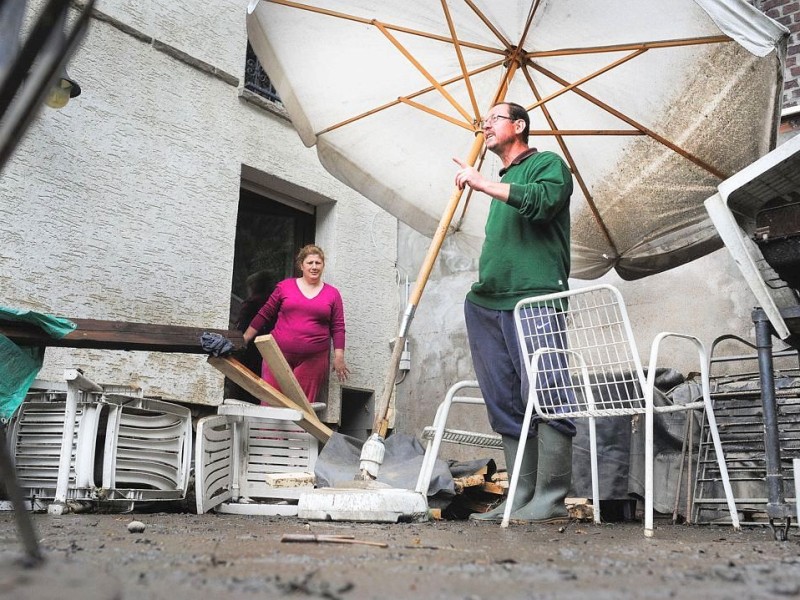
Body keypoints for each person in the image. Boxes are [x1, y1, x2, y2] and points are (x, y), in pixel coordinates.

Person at [453, 101, 575, 524]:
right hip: (488, 302)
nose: (484, 126)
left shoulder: (548, 165)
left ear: (519, 125)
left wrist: (483, 184)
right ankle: (520, 495)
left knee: (548, 390)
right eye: (483, 121)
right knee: (504, 402)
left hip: (536, 297)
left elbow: (542, 203)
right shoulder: (502, 181)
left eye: (494, 119)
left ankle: (552, 497)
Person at [242, 245, 349, 405]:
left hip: (313, 359)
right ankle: (266, 431)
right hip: (277, 353)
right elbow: (265, 313)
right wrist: (245, 338)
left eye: (318, 263)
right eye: (310, 262)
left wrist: (339, 356)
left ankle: (295, 432)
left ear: (323, 265)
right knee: (271, 402)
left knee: (300, 406)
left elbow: (338, 326)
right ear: (301, 265)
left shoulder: (332, 294)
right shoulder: (285, 286)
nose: (314, 267)